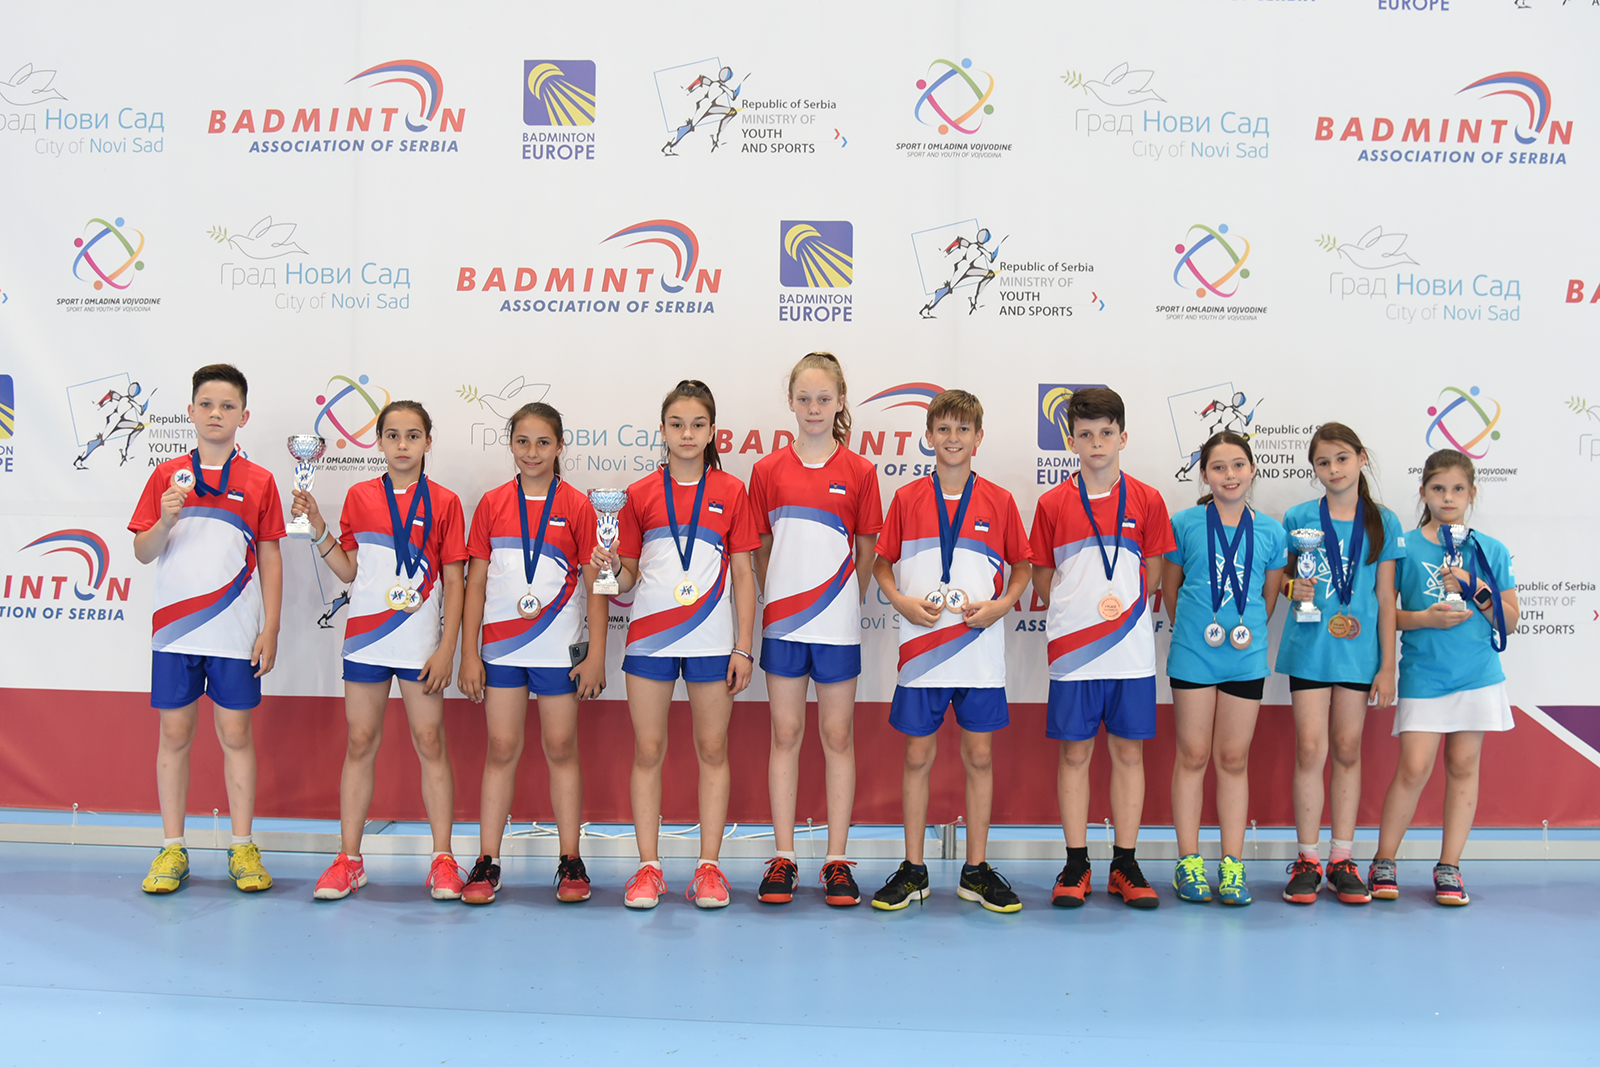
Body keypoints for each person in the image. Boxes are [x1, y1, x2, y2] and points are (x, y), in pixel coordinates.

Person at [293, 401, 470, 902]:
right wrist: (319, 527)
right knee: (360, 740)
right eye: (392, 435)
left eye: (413, 435)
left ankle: (442, 859)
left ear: (428, 442)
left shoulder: (446, 502)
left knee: (430, 740)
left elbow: (455, 580)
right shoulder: (359, 496)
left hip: (420, 644)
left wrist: (448, 648)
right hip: (366, 640)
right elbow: (349, 570)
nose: (402, 444)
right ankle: (349, 860)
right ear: (380, 442)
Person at [592, 381, 760, 909]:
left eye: (697, 425)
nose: (687, 434)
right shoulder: (639, 494)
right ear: (662, 431)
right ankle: (648, 867)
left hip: (712, 641)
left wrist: (743, 646)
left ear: (712, 433)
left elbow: (744, 574)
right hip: (650, 640)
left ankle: (709, 868)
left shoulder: (731, 491)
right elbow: (626, 580)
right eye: (677, 424)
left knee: (712, 750)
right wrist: (608, 567)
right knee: (648, 751)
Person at [870, 389, 1033, 914]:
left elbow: (1023, 566)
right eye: (943, 428)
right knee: (917, 756)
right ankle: (914, 869)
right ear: (928, 437)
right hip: (922, 651)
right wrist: (900, 602)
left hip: (978, 651)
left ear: (978, 438)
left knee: (979, 756)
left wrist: (1002, 605)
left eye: (963, 429)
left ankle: (975, 870)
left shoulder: (1000, 501)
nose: (953, 438)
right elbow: (881, 564)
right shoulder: (907, 498)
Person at [129, 364, 284, 894]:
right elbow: (143, 551)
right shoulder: (166, 476)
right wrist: (165, 520)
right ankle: (172, 848)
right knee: (174, 735)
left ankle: (242, 846)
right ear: (191, 412)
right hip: (175, 633)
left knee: (236, 735)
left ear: (244, 416)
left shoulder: (260, 481)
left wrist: (271, 627)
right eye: (207, 404)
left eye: (227, 406)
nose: (216, 413)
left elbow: (271, 557)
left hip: (236, 633)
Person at [1027, 388, 1173, 909]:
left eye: (1106, 433)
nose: (1096, 443)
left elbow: (1154, 571)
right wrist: (1080, 617)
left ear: (1123, 437)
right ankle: (1076, 862)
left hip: (1130, 651)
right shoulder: (1052, 503)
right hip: (1074, 653)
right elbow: (1042, 576)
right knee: (1074, 753)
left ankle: (1125, 863)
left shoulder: (1148, 499)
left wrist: (1117, 615)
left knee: (1129, 753)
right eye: (1085, 434)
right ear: (1071, 441)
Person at [456, 403, 607, 905]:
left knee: (561, 747)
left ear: (560, 446)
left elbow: (597, 585)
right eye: (522, 441)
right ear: (511, 445)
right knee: (501, 747)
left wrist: (596, 655)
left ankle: (570, 859)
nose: (532, 452)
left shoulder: (579, 506)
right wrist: (469, 654)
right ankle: (488, 859)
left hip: (558, 651)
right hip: (501, 651)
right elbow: (476, 583)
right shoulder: (492, 503)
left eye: (543, 442)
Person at [749, 353, 882, 907]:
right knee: (784, 734)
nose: (813, 408)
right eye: (804, 398)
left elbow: (867, 551)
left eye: (824, 399)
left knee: (837, 736)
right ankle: (783, 857)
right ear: (790, 402)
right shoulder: (767, 471)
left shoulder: (860, 472)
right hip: (784, 625)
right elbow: (760, 547)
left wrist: (843, 603)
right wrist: (780, 599)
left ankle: (836, 860)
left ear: (840, 402)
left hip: (837, 627)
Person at [1368, 448, 1518, 906]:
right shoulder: (1404, 546)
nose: (1448, 497)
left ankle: (1449, 866)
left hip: (1477, 674)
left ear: (1471, 493)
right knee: (1414, 768)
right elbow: (1385, 614)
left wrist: (1475, 588)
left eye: (1457, 489)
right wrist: (1424, 620)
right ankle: (1383, 861)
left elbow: (1510, 620)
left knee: (1463, 766)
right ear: (1423, 492)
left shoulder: (1489, 549)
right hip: (1424, 675)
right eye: (1438, 488)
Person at [1276, 423, 1404, 906]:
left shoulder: (1384, 522)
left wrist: (1387, 666)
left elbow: (1386, 598)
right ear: (1314, 469)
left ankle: (1342, 859)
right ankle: (1308, 859)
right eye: (1323, 462)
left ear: (1361, 458)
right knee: (1311, 748)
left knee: (1347, 749)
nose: (1333, 469)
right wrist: (1293, 588)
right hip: (1310, 647)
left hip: (1358, 652)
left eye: (1342, 458)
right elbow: (1282, 580)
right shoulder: (1299, 517)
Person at [1162, 431, 1286, 906]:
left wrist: (1241, 631)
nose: (1229, 475)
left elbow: (1268, 598)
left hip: (1245, 656)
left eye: (1238, 465)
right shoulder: (1185, 524)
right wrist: (1198, 630)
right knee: (1193, 755)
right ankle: (1188, 862)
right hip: (1194, 653)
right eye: (1218, 467)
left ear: (1252, 470)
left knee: (1233, 759)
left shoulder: (1271, 531)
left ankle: (1232, 864)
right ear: (1204, 474)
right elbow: (1170, 590)